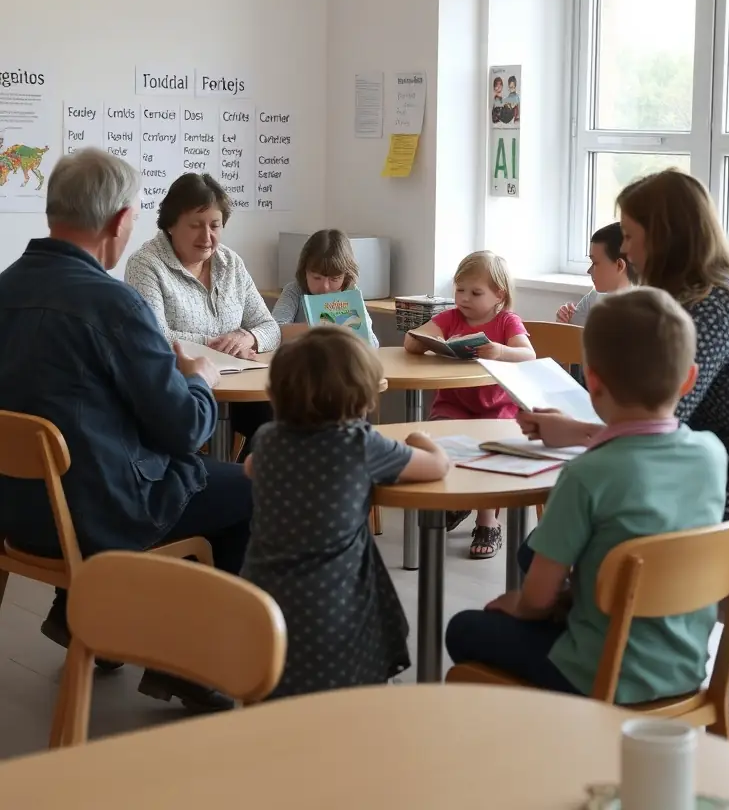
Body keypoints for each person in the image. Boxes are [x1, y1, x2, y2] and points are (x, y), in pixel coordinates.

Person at [0, 149, 252, 713]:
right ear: (118, 222)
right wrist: (200, 379)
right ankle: (188, 665)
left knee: (184, 479)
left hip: (17, 513)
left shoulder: (4, 289)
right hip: (92, 515)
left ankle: (91, 623)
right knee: (241, 487)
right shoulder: (114, 305)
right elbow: (185, 427)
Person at [446, 287, 727, 702]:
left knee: (465, 627)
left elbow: (537, 602)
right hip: (684, 665)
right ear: (688, 379)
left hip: (601, 670)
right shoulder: (711, 454)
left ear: (591, 381)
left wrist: (519, 603)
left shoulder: (587, 474)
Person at [522, 169, 729, 572]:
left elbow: (654, 434)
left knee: (543, 550)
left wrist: (575, 432)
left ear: (663, 237)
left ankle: (599, 629)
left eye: (631, 237)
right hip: (716, 476)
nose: (629, 252)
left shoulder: (704, 309)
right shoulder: (725, 289)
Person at [241, 326, 449, 697]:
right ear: (365, 399)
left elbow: (251, 468)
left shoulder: (268, 440)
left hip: (263, 602)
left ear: (275, 395)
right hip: (332, 605)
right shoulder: (360, 444)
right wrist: (422, 437)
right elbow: (436, 467)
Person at [125, 172, 280, 453]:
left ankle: (251, 485)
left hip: (239, 385)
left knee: (280, 424)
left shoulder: (231, 262)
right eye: (196, 225)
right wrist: (220, 344)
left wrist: (248, 339)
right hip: (180, 390)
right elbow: (156, 337)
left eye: (215, 226)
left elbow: (270, 327)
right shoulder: (145, 265)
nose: (207, 237)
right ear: (171, 225)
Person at [404, 251, 535, 559]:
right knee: (438, 441)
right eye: (459, 289)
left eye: (475, 293)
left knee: (494, 451)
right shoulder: (451, 318)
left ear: (498, 295)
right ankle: (456, 499)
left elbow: (528, 354)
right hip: (455, 403)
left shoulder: (507, 321)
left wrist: (501, 352)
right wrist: (421, 339)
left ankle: (487, 522)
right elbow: (414, 340)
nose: (464, 298)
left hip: (497, 406)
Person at [271, 228, 378, 345]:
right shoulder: (294, 291)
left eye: (334, 279)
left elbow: (372, 343)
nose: (325, 287)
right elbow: (273, 332)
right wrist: (319, 328)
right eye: (317, 278)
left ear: (345, 276)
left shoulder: (351, 292)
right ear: (305, 272)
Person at [556, 221, 634, 326]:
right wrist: (564, 323)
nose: (589, 271)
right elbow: (571, 339)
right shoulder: (592, 298)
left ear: (619, 266)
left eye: (595, 263)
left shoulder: (647, 312)